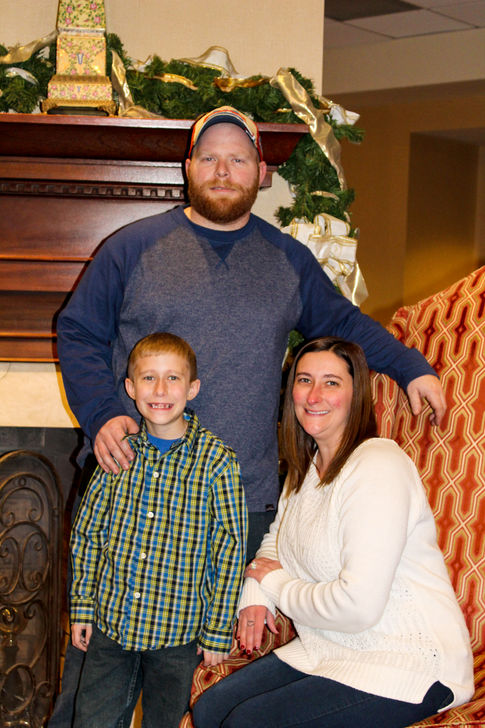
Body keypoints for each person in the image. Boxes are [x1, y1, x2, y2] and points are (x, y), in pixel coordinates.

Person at [51, 105, 445, 727]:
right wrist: (102, 413)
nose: (222, 170)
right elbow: (77, 332)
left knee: (192, 686)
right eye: (209, 157)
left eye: (238, 159)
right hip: (133, 491)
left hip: (235, 506)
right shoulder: (131, 248)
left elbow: (343, 325)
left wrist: (411, 367)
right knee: (92, 687)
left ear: (262, 173)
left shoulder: (288, 261)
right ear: (188, 168)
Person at [192, 336, 474, 728]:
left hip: (408, 663)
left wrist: (275, 586)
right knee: (210, 710)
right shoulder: (306, 468)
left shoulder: (378, 465)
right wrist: (257, 593)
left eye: (331, 382)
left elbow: (358, 607)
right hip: (329, 649)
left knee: (246, 722)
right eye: (304, 380)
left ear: (356, 395)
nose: (314, 395)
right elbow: (278, 539)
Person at [69, 332, 247, 728]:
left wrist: (218, 629)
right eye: (149, 378)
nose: (160, 390)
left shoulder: (217, 462)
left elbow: (229, 551)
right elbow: (88, 534)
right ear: (130, 388)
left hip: (178, 637)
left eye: (173, 378)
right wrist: (82, 605)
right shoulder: (117, 452)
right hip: (111, 628)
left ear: (193, 388)